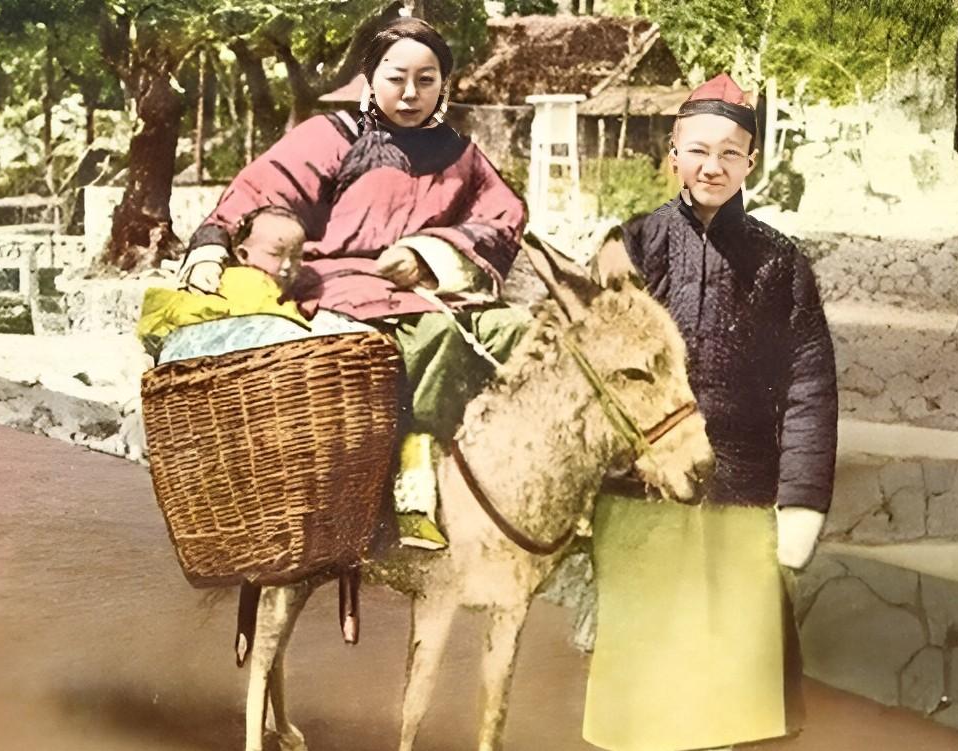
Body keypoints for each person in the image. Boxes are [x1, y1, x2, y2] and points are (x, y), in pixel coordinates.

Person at [176, 17, 529, 551]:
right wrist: (211, 248)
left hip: (436, 285)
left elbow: (502, 217)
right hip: (338, 287)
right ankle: (413, 472)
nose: (411, 93)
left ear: (444, 84)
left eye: (427, 79)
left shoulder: (463, 156)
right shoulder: (330, 136)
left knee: (521, 333)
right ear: (370, 78)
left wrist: (426, 252)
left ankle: (510, 482)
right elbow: (259, 195)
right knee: (436, 338)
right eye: (396, 77)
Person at [584, 73, 838, 751]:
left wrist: (801, 499)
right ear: (673, 154)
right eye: (698, 150)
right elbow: (594, 366)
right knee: (644, 683)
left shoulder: (781, 262)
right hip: (643, 491)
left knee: (740, 684)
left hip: (740, 490)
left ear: (751, 160)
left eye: (730, 153)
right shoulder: (631, 246)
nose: (712, 166)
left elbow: (811, 383)